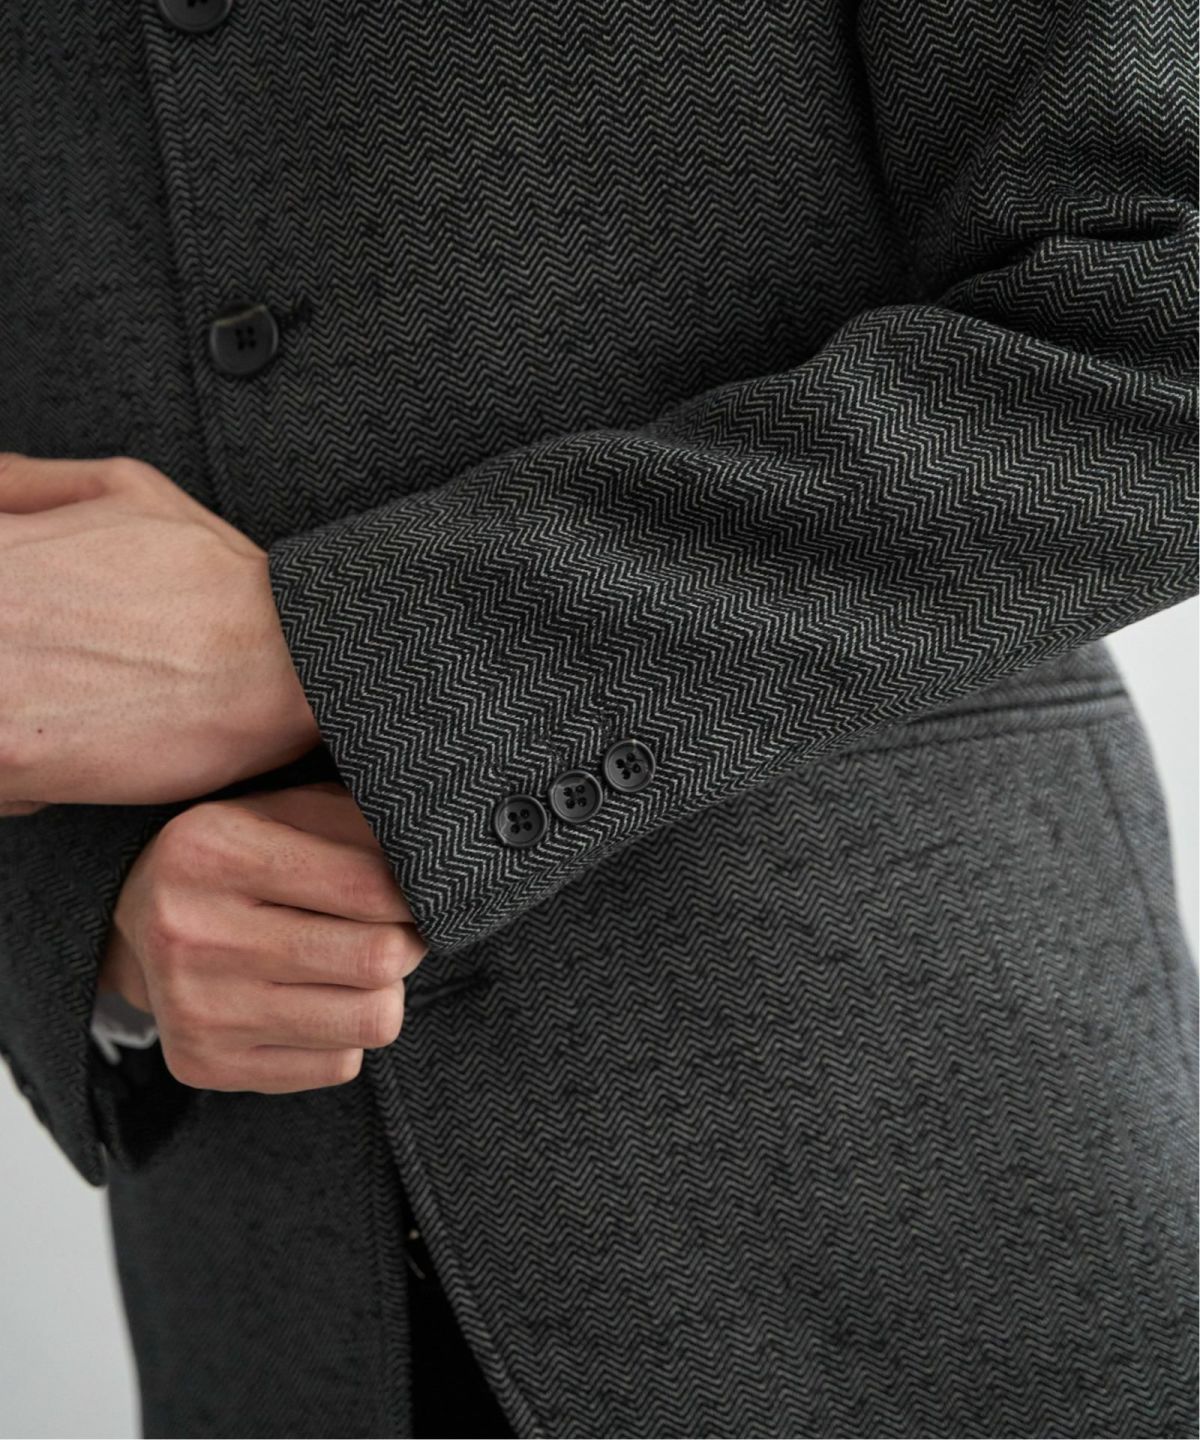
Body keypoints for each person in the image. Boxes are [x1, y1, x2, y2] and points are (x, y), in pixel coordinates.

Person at [0, 0, 1195, 1436]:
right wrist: (93, 926)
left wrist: (322, 651)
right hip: (263, 1297)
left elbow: (1173, 314)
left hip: (922, 1210)